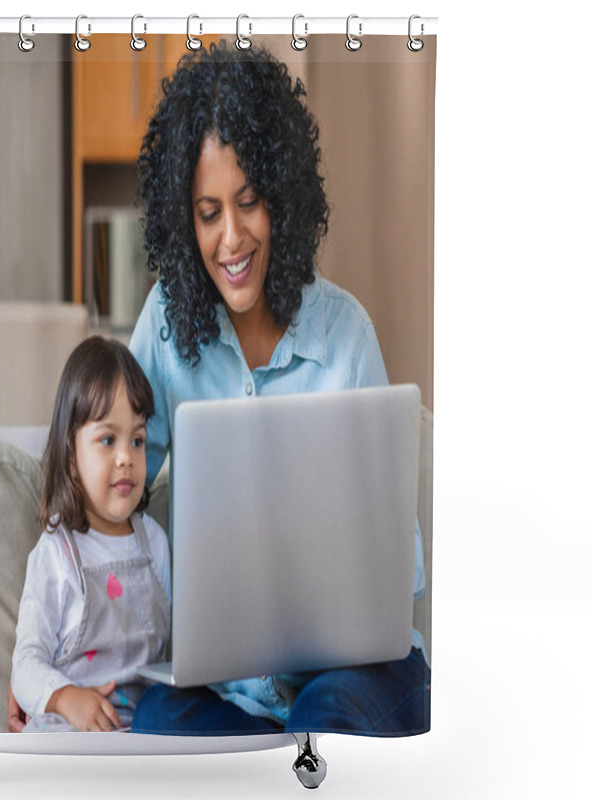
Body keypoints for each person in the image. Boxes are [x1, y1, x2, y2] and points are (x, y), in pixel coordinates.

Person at [127, 41, 429, 736]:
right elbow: (111, 477)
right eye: (208, 213)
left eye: (250, 202)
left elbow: (401, 564)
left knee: (324, 712)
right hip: (232, 693)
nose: (231, 239)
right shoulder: (167, 330)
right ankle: (273, 755)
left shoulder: (344, 334)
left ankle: (277, 754)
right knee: (150, 714)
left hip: (351, 675)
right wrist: (52, 672)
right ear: (185, 222)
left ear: (282, 200)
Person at [10, 336, 171, 732]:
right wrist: (65, 698)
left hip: (140, 732)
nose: (126, 458)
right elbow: (26, 663)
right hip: (69, 732)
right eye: (107, 440)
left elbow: (177, 650)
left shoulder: (155, 542)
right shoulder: (56, 553)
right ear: (71, 457)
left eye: (136, 440)